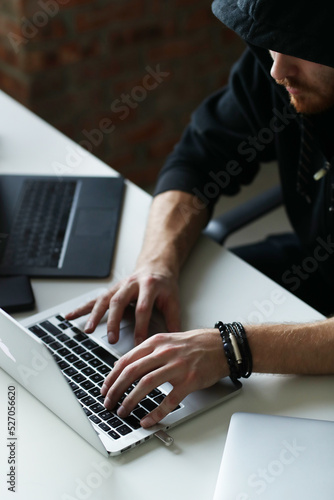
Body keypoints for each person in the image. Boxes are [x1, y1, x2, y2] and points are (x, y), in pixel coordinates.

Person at [66, 0, 334, 429]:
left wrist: (232, 349)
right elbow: (198, 158)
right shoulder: (283, 68)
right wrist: (156, 264)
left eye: (299, 48)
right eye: (270, 47)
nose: (276, 71)